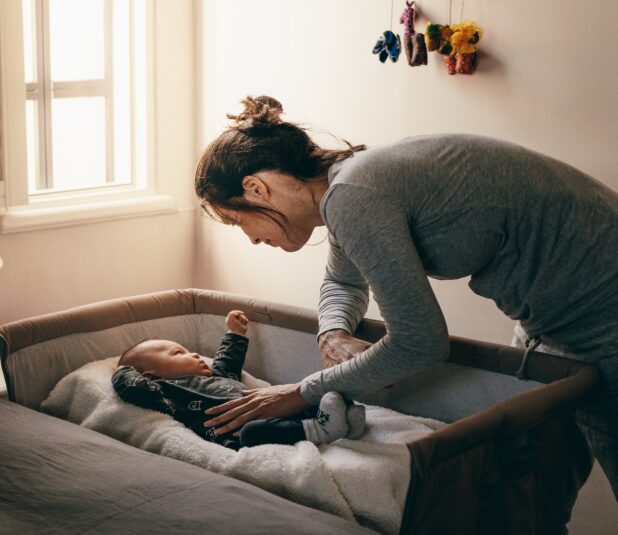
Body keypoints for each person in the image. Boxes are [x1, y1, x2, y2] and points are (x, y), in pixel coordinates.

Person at [194, 95, 618, 497]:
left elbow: (420, 342)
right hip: (552, 319)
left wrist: (301, 391)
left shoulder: (352, 195)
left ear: (256, 189)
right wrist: (333, 332)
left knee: (542, 473)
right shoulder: (346, 186)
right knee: (532, 487)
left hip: (601, 313)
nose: (251, 238)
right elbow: (343, 282)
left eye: (237, 221)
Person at [112, 310, 366, 450]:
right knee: (252, 432)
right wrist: (123, 368)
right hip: (239, 431)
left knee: (304, 393)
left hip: (273, 407)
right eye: (179, 353)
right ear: (151, 376)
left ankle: (342, 419)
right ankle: (320, 429)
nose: (194, 354)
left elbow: (227, 363)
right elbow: (130, 387)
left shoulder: (217, 376)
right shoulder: (164, 391)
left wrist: (235, 332)